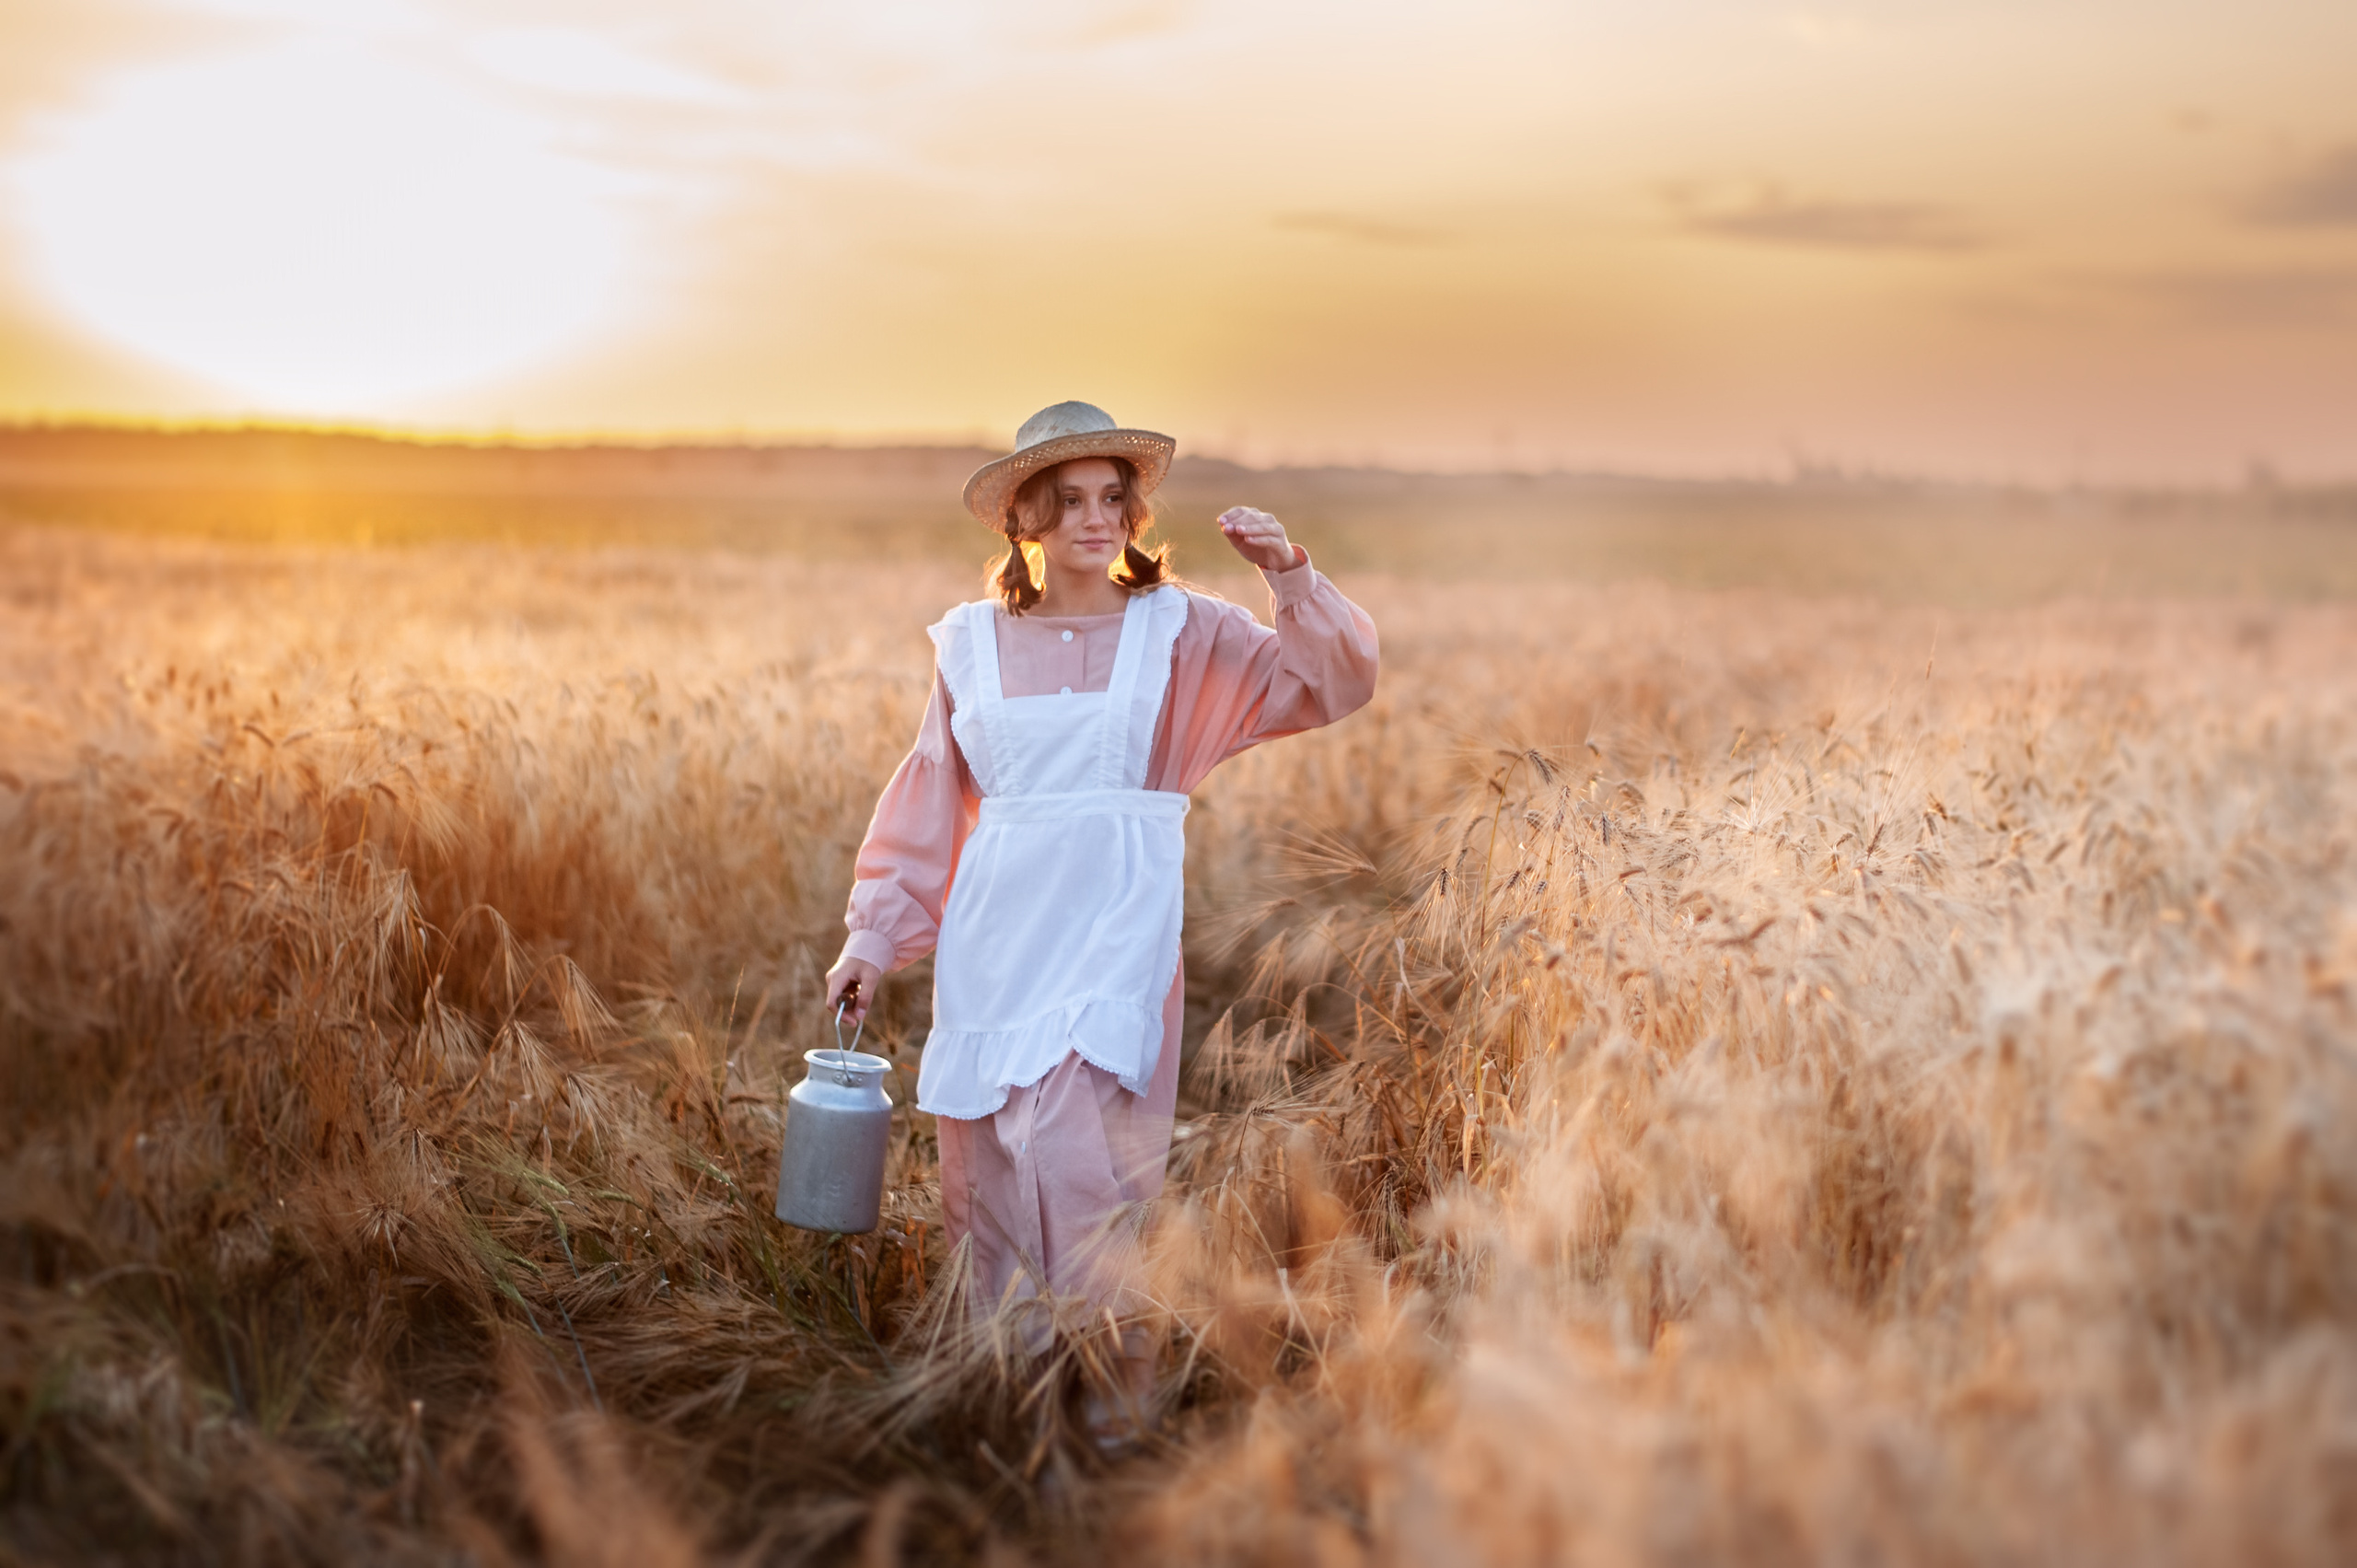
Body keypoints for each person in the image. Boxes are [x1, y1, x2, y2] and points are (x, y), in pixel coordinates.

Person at [823, 400, 1377, 1420]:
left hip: (1114, 935)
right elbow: (929, 793)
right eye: (1069, 500)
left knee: (1078, 1160)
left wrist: (1287, 575)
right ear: (1024, 519)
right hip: (994, 941)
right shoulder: (969, 645)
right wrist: (872, 935)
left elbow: (1329, 681)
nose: (1096, 518)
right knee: (991, 1166)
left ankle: (1121, 1406)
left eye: (1113, 498)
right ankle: (1024, 1407)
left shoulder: (1181, 630)